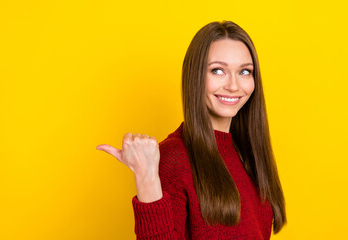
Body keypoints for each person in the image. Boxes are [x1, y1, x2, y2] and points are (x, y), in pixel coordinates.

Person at [96, 20, 286, 239]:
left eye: (244, 72)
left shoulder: (248, 152)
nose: (234, 85)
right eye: (218, 71)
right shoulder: (174, 157)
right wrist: (147, 178)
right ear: (195, 76)